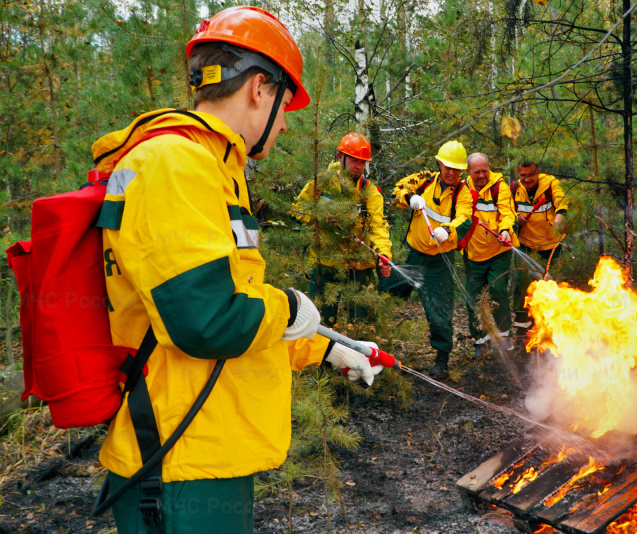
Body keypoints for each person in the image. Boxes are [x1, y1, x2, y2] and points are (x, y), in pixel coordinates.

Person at [92, 7, 383, 533]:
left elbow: (234, 302)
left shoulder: (211, 170)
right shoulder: (177, 166)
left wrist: (322, 347)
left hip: (207, 445)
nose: (286, 122)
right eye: (286, 105)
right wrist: (292, 306)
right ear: (258, 89)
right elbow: (207, 322)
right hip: (180, 459)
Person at [382, 140, 474, 378]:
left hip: (439, 262)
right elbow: (398, 188)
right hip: (412, 255)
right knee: (383, 291)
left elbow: (464, 218)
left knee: (440, 313)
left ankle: (441, 361)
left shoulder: (464, 194)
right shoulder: (424, 179)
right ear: (439, 164)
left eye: (457, 169)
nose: (451, 172)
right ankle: (373, 343)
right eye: (447, 166)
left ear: (462, 170)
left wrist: (447, 231)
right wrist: (410, 197)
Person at [291, 133, 392, 325]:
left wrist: (384, 255)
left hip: (359, 265)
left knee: (363, 322)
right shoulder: (321, 183)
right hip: (325, 263)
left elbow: (379, 228)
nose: (358, 166)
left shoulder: (370, 192)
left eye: (362, 162)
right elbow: (296, 211)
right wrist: (320, 215)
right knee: (319, 323)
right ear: (340, 157)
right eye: (354, 160)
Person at [463, 153, 518, 358]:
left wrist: (505, 230)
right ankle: (480, 340)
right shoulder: (462, 189)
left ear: (490, 167)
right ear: (468, 172)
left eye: (484, 170)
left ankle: (504, 337)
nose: (481, 175)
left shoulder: (499, 187)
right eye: (476, 172)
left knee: (498, 290)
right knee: (474, 297)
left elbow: (507, 212)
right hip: (473, 253)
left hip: (499, 250)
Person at [511, 160, 568, 330]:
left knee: (551, 286)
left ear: (538, 171)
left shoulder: (550, 184)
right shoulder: (514, 189)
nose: (527, 179)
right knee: (522, 286)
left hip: (551, 246)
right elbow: (506, 209)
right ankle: (522, 329)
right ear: (517, 173)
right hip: (526, 245)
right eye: (523, 175)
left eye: (531, 175)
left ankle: (548, 328)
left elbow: (561, 200)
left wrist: (561, 214)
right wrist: (516, 218)